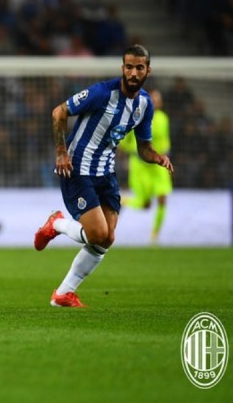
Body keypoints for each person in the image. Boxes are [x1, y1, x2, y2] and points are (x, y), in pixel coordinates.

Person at [33, 44, 173, 307]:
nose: (133, 72)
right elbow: (58, 112)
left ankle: (63, 294)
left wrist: (156, 157)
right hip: (76, 169)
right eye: (129, 67)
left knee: (107, 238)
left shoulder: (145, 104)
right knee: (97, 233)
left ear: (147, 71)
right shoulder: (100, 93)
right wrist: (61, 152)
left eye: (139, 68)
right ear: (122, 68)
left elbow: (143, 146)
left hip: (105, 172)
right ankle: (58, 224)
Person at [117, 88, 172, 244]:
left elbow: (166, 140)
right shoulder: (136, 117)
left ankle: (154, 236)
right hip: (140, 166)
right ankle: (123, 201)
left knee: (162, 198)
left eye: (157, 99)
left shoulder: (163, 119)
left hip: (157, 165)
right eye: (152, 99)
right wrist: (136, 151)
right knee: (145, 204)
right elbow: (123, 143)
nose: (155, 101)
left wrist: (164, 152)